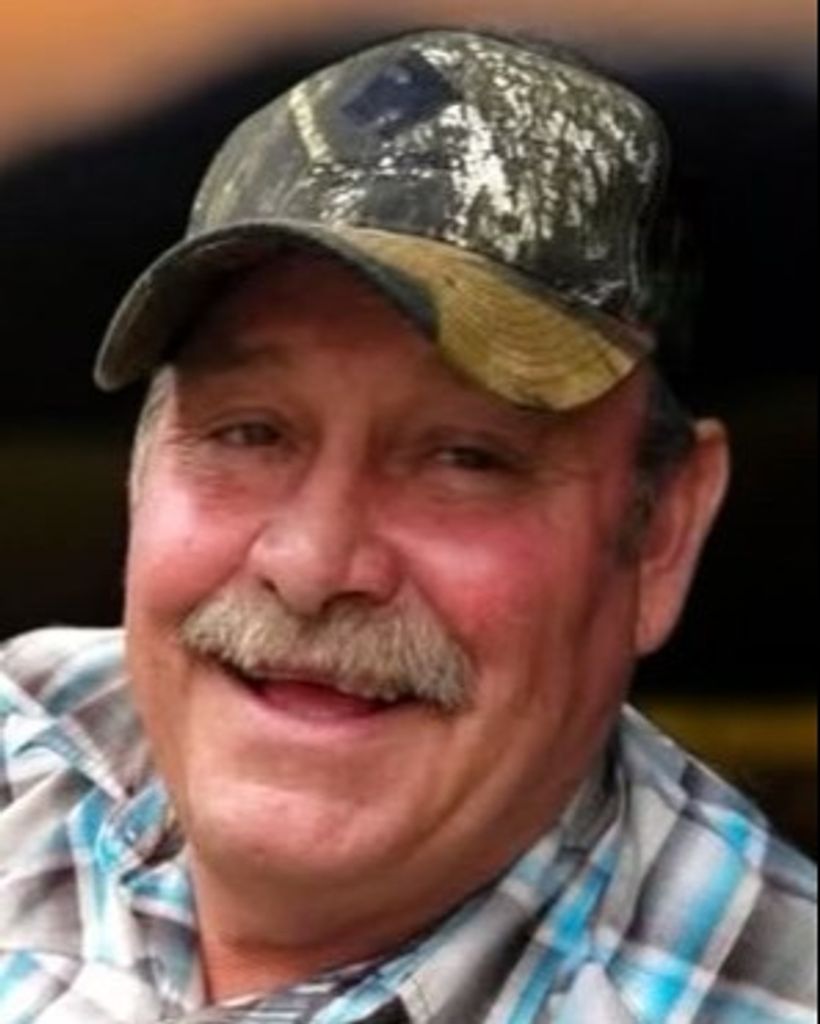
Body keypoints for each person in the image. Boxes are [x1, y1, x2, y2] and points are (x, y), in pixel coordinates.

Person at [0, 29, 815, 1024]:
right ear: (141, 464)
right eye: (248, 432)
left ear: (661, 533)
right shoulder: (31, 739)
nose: (310, 565)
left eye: (466, 458)